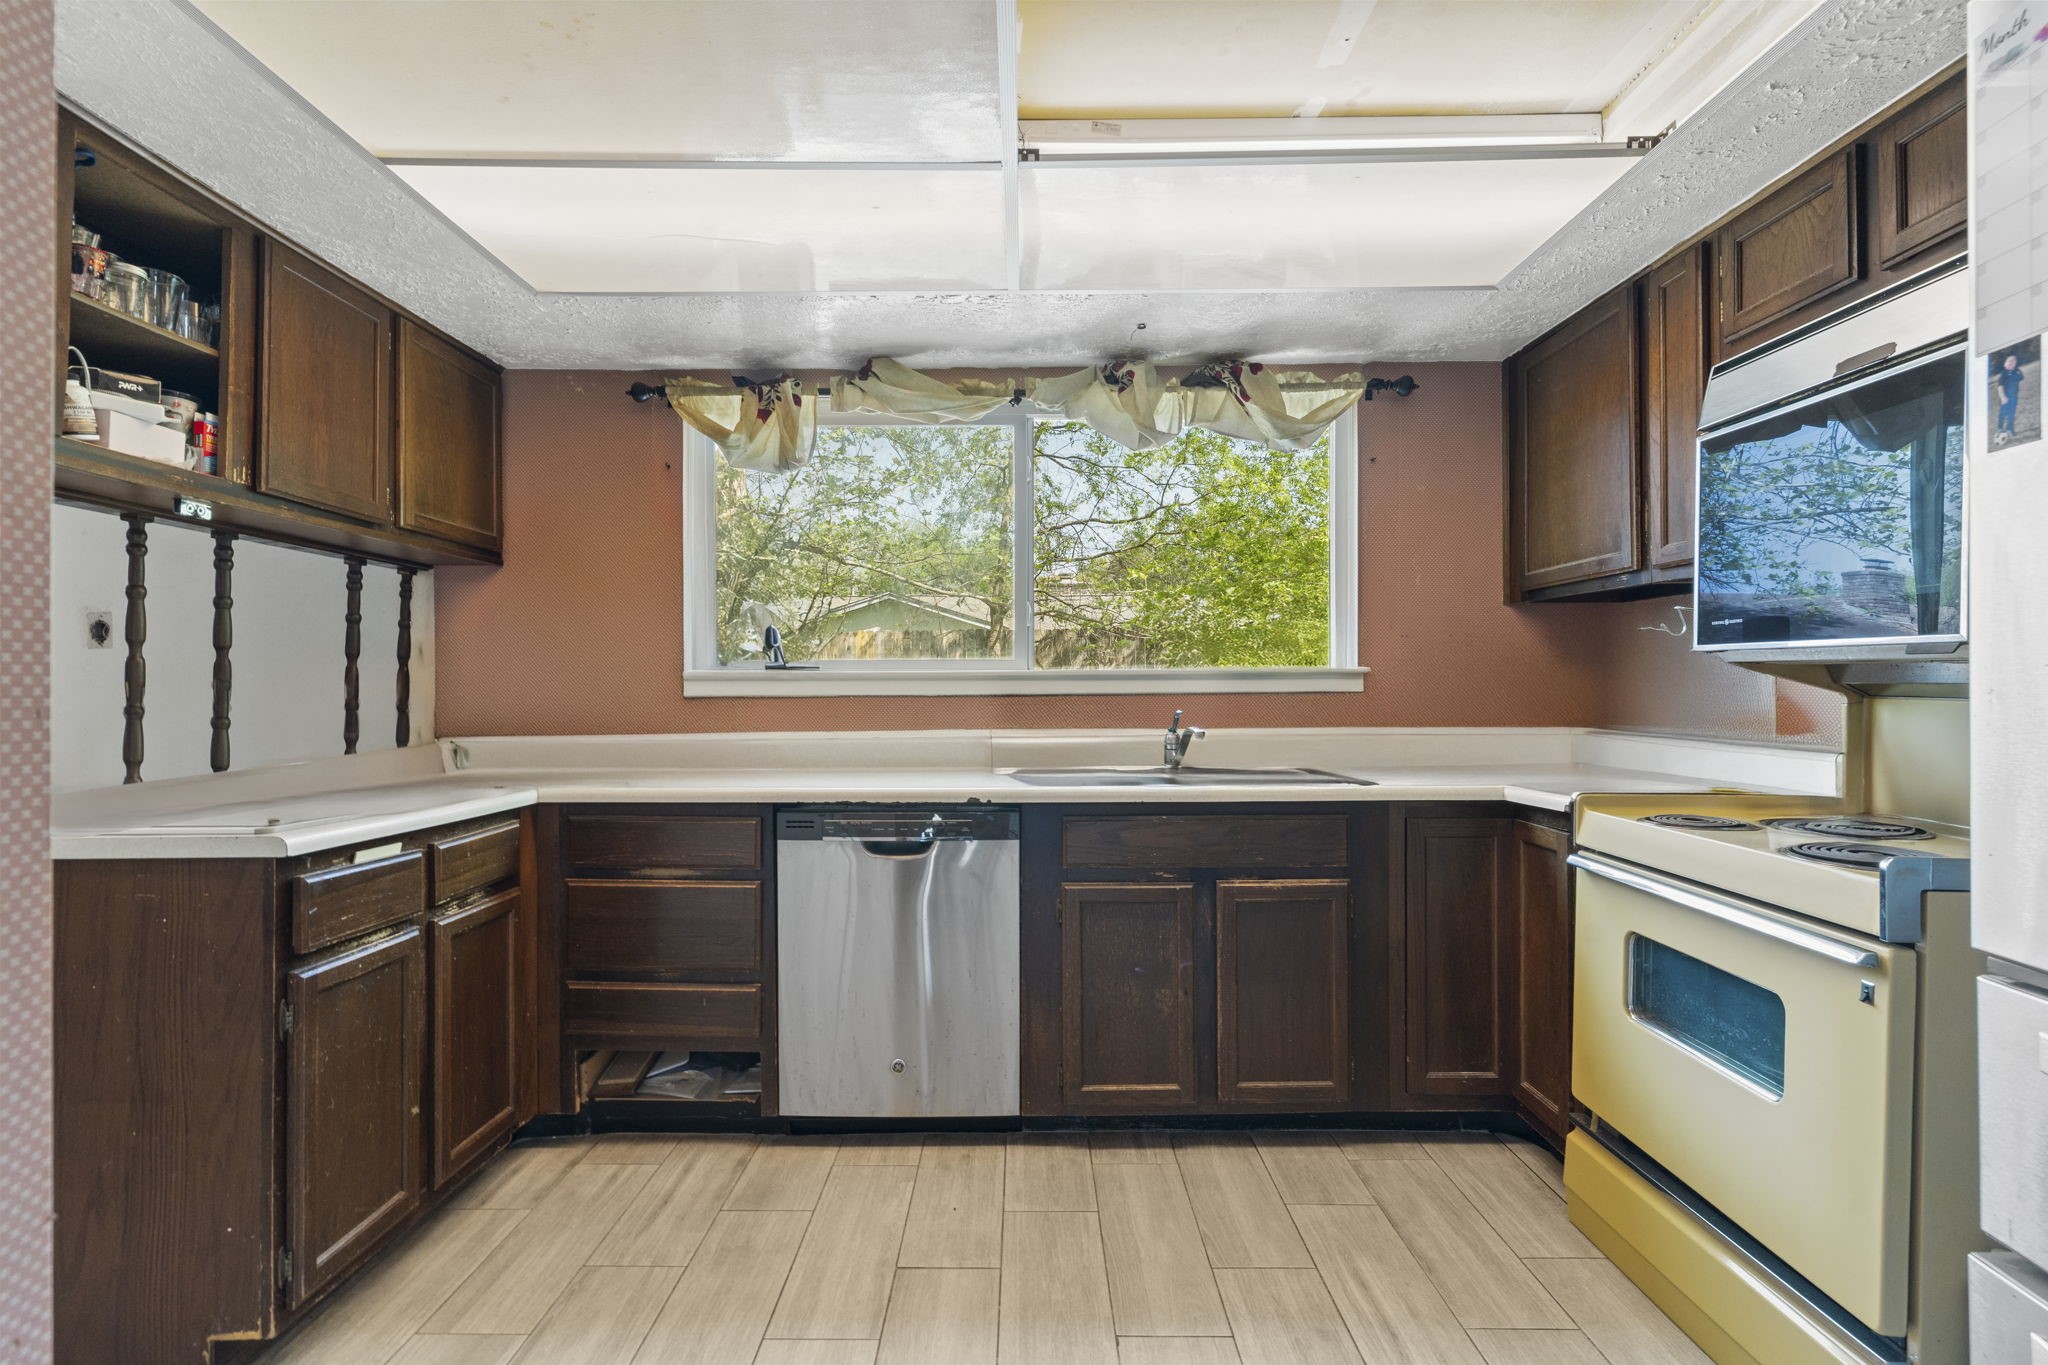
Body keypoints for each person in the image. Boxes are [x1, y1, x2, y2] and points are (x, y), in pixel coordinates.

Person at [1997, 352, 2024, 444]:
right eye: (2009, 361)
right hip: (2004, 398)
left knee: (2011, 414)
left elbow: (2020, 378)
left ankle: (2010, 429)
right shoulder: (2004, 374)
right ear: (2005, 363)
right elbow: (2000, 386)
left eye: (2014, 361)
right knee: (2002, 414)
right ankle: (2000, 429)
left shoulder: (2017, 371)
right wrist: (2003, 397)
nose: (2012, 362)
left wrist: (2017, 371)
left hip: (2014, 398)